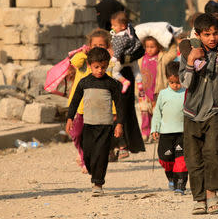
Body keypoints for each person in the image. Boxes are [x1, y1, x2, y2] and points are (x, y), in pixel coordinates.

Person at [179, 13, 218, 215]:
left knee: (211, 152)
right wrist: (191, 62)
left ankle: (212, 194)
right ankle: (199, 199)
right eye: (207, 34)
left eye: (215, 33)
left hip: (216, 112)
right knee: (193, 159)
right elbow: (184, 83)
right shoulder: (190, 52)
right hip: (192, 113)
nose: (212, 38)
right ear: (199, 35)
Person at [65, 47, 124, 196]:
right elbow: (75, 101)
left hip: (105, 125)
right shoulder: (84, 82)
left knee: (102, 154)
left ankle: (98, 184)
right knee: (88, 154)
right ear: (90, 65)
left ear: (107, 65)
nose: (99, 70)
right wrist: (70, 118)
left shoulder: (112, 84)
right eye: (96, 67)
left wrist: (119, 124)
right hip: (88, 124)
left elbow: (120, 105)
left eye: (103, 67)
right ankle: (92, 171)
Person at [67, 29, 115, 172]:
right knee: (76, 134)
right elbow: (74, 61)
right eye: (95, 45)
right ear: (89, 45)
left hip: (97, 110)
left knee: (92, 138)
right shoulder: (83, 61)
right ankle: (82, 153)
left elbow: (111, 90)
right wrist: (83, 52)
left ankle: (85, 159)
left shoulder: (107, 66)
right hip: (81, 107)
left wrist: (113, 110)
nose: (98, 48)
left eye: (102, 45)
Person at [151, 62, 188, 195]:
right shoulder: (163, 94)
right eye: (172, 82)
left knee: (182, 160)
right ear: (167, 79)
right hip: (166, 133)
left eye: (178, 82)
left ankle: (180, 185)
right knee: (166, 159)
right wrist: (155, 128)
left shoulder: (187, 92)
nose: (175, 85)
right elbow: (157, 112)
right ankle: (171, 176)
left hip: (182, 132)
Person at [137, 36, 177, 142]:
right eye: (147, 47)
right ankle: (145, 133)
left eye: (152, 47)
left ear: (159, 47)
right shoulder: (141, 58)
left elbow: (172, 54)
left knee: (158, 113)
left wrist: (172, 42)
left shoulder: (162, 57)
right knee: (145, 113)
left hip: (157, 92)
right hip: (143, 92)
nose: (149, 49)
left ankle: (157, 133)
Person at [110, 11, 142, 93]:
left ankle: (124, 82)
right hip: (133, 58)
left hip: (122, 60)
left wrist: (113, 60)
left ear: (123, 26)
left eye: (114, 25)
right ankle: (139, 83)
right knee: (136, 71)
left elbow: (118, 50)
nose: (112, 27)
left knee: (115, 73)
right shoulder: (130, 30)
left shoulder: (119, 38)